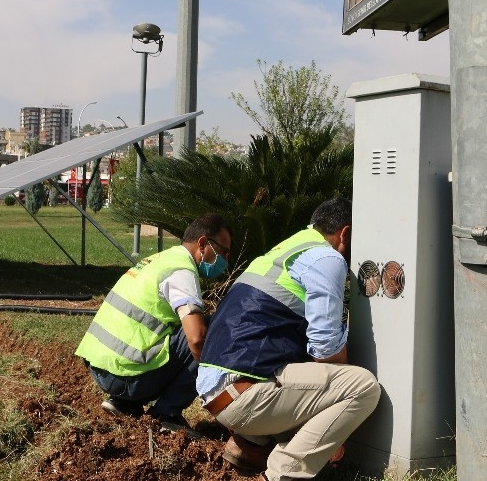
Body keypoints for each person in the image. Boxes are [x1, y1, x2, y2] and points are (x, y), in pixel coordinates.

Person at [197, 197, 380, 481]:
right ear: (345, 233)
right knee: (363, 387)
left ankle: (250, 444)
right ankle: (283, 474)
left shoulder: (287, 250)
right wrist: (335, 426)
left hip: (219, 394)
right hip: (243, 396)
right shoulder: (326, 258)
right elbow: (325, 348)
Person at [75, 213, 232, 430]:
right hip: (124, 378)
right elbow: (197, 339)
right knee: (209, 328)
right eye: (223, 251)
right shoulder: (182, 271)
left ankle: (125, 403)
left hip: (102, 368)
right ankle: (166, 413)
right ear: (203, 244)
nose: (225, 260)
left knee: (178, 327)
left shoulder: (160, 260)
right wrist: (217, 379)